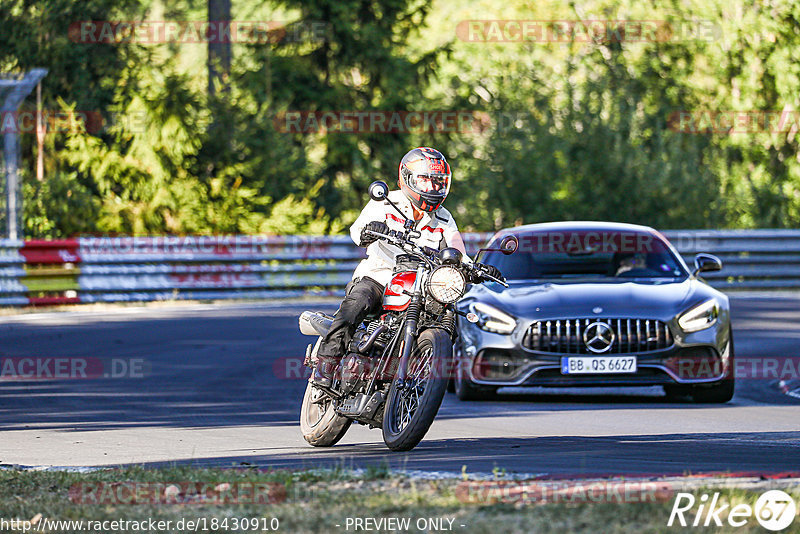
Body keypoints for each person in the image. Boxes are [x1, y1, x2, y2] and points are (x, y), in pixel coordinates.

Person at [313, 147, 501, 387]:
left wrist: (477, 268)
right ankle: (326, 365)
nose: (432, 187)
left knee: (448, 318)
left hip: (420, 283)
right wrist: (373, 229)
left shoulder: (444, 218)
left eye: (437, 181)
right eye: (425, 179)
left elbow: (457, 251)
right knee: (356, 305)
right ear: (407, 178)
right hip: (380, 276)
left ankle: (418, 374)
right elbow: (357, 232)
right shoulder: (385, 202)